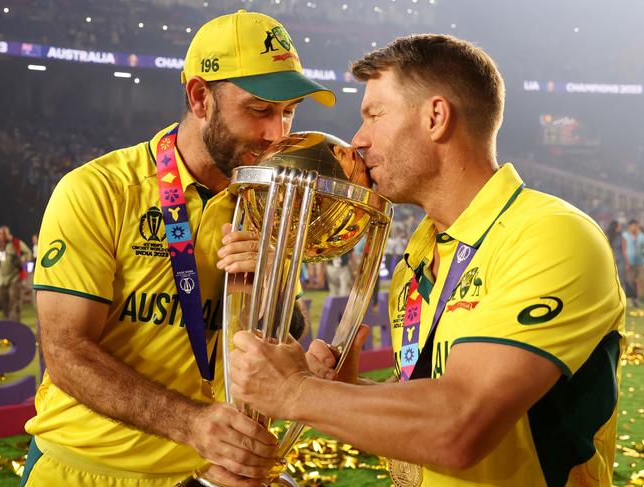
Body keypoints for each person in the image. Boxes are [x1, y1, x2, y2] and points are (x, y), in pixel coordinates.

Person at [227, 34, 625, 487]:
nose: (357, 140)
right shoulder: (416, 260)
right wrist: (346, 394)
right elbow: (428, 410)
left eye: (374, 115)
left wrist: (296, 392)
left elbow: (460, 427)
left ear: (435, 117)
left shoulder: (550, 235)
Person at [22, 10, 334, 487]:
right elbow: (66, 352)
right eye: (259, 109)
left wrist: (273, 288)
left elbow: (279, 337)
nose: (277, 133)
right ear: (199, 97)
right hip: (86, 468)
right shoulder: (98, 190)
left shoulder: (269, 205)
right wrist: (191, 423)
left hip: (205, 474)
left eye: (288, 111)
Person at [0, 225, 32, 321]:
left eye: (4, 234)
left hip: (14, 278)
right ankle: (6, 323)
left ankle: (15, 326)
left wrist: (22, 259)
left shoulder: (16, 243)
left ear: (8, 234)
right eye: (0, 234)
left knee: (14, 301)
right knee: (2, 300)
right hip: (1, 279)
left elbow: (28, 253)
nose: (2, 236)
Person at [621, 218, 644, 307]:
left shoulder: (641, 236)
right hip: (629, 262)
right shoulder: (625, 235)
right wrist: (626, 262)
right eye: (633, 226)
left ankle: (640, 298)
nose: (634, 228)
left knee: (641, 279)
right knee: (630, 281)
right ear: (629, 227)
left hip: (640, 262)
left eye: (636, 226)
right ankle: (632, 299)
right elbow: (624, 249)